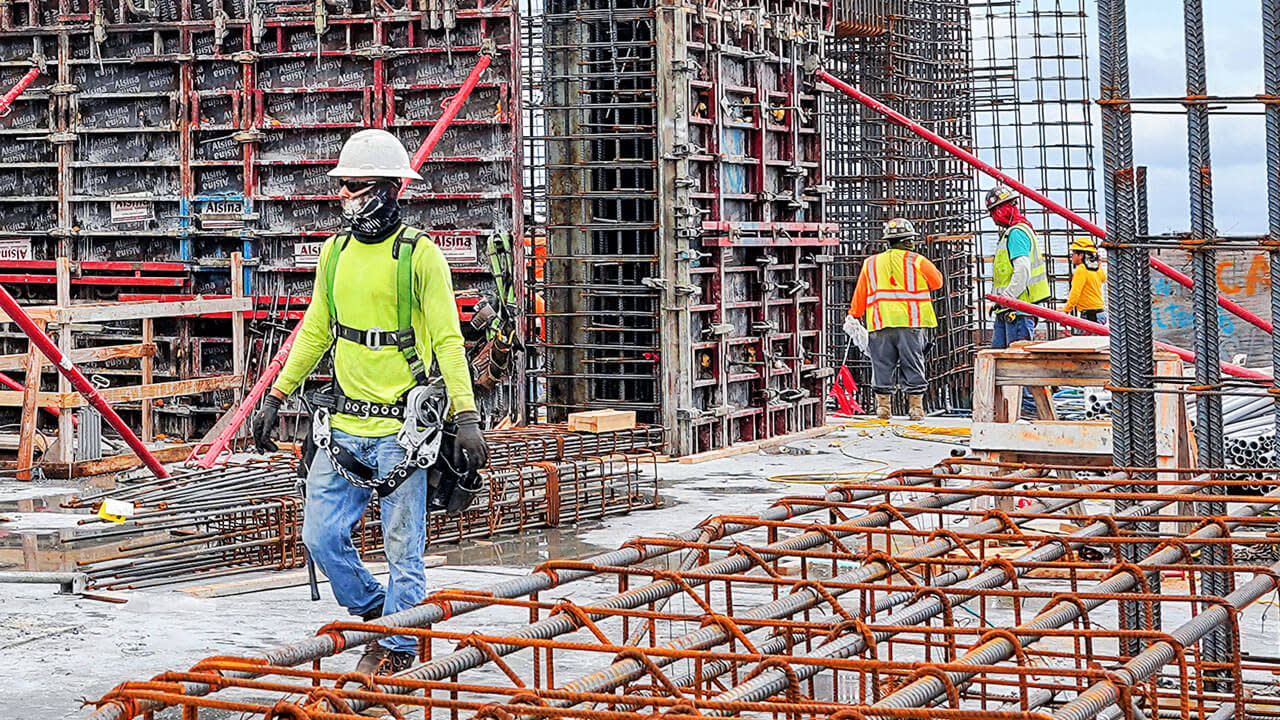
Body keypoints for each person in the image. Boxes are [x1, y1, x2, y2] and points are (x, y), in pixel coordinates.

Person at [250, 128, 489, 676]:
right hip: (343, 428)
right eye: (343, 187)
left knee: (404, 550)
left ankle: (397, 650)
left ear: (384, 190)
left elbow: (449, 340)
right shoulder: (334, 254)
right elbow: (315, 330)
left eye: (354, 187)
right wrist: (276, 394)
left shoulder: (420, 257)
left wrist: (467, 414)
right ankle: (375, 612)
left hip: (406, 432)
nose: (345, 197)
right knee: (320, 536)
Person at [844, 218, 944, 421]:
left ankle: (883, 409)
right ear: (907, 241)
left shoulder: (870, 263)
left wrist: (854, 315)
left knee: (881, 364)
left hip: (880, 322)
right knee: (913, 362)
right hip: (911, 322)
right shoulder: (918, 261)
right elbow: (937, 282)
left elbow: (860, 293)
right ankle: (916, 409)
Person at [986, 185, 1050, 347]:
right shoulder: (1014, 232)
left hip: (1017, 311)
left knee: (1014, 362)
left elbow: (1022, 270)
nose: (994, 219)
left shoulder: (1017, 233)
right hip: (1009, 309)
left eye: (994, 212)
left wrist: (1005, 298)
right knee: (1000, 360)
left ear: (1002, 210)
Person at [1063, 236, 1107, 324]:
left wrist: (1066, 311)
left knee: (1084, 337)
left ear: (1081, 255)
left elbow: (1075, 293)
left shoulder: (1081, 269)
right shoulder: (1096, 267)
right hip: (1101, 312)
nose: (1072, 256)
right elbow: (1103, 278)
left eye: (1073, 253)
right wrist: (1098, 263)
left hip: (1090, 315)